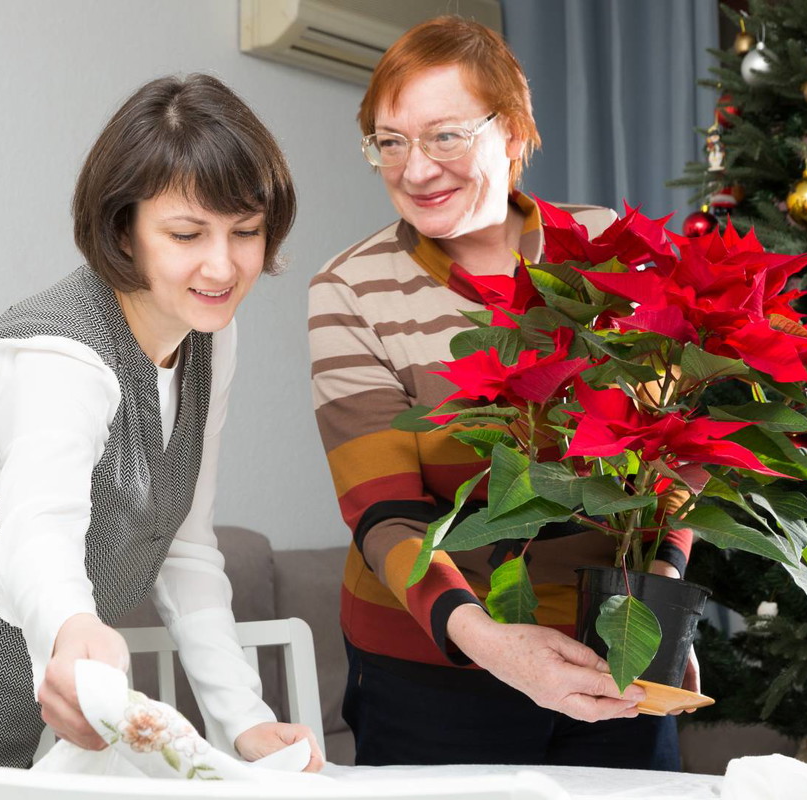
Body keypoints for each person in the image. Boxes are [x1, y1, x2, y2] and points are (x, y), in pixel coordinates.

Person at [0, 73, 322, 800]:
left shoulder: (211, 340)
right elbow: (37, 536)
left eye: (245, 232)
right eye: (185, 233)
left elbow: (187, 544)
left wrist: (245, 721)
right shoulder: (60, 356)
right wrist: (74, 625)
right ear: (122, 229)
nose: (223, 266)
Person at [308, 17, 695, 768]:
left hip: (608, 647)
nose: (415, 170)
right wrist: (491, 645)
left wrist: (657, 609)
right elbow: (386, 513)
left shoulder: (607, 248)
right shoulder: (350, 289)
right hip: (429, 664)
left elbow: (670, 454)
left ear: (513, 134)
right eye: (390, 142)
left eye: (445, 136)